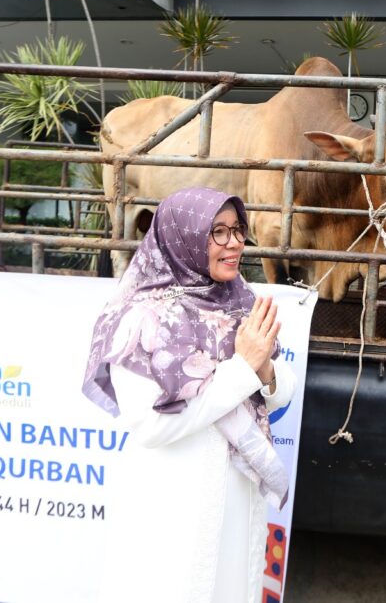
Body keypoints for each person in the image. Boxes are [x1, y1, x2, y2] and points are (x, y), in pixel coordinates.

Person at [82, 186, 295, 603]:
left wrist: (265, 368)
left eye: (237, 230)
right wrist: (243, 368)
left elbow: (279, 392)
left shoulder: (241, 300)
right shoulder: (140, 317)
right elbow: (151, 425)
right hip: (174, 500)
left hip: (236, 496)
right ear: (183, 238)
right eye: (217, 231)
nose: (234, 243)